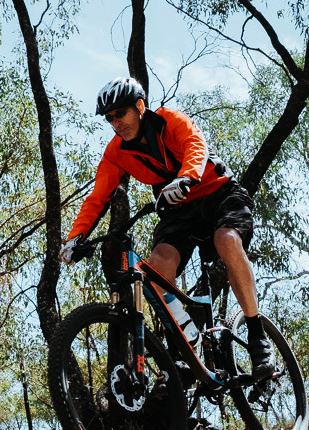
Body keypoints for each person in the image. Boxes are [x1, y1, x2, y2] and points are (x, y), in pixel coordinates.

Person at [60, 76, 275, 380]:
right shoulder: (116, 152)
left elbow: (195, 146)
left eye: (120, 113)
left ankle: (257, 337)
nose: (116, 123)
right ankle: (187, 344)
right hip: (178, 212)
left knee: (226, 240)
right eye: (109, 118)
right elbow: (98, 198)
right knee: (156, 269)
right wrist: (74, 238)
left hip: (219, 195)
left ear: (139, 106)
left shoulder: (170, 120)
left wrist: (186, 177)